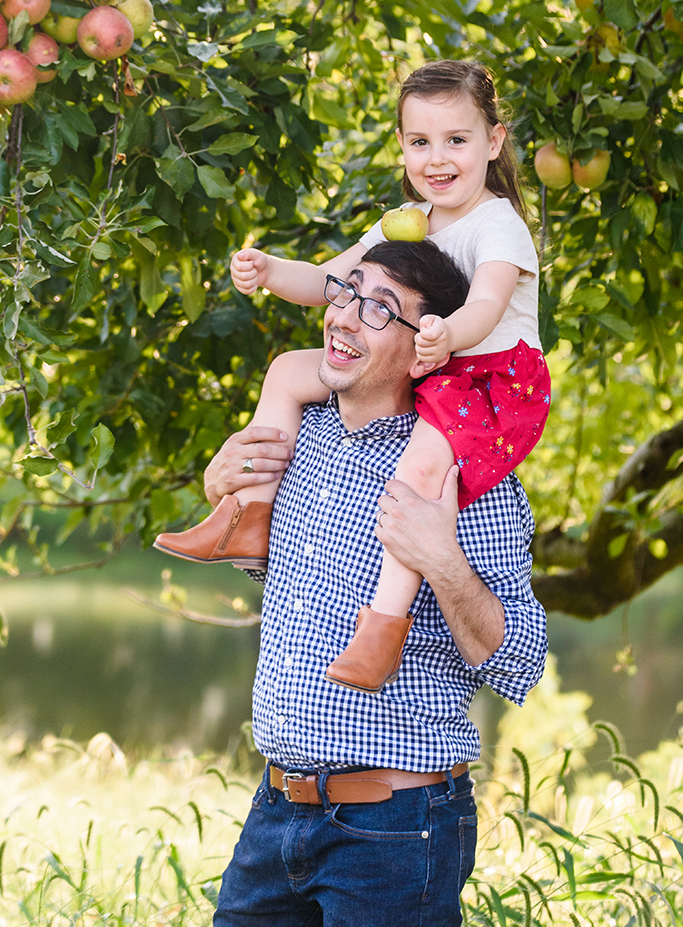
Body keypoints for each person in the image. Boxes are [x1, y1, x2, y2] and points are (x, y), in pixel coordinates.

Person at [155, 59, 550, 694]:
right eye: (420, 141)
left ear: (494, 141)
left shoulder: (497, 224)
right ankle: (248, 514)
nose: (437, 158)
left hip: (483, 379)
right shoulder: (409, 219)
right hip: (433, 362)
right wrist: (272, 270)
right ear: (402, 144)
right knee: (286, 370)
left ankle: (383, 627)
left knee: (416, 477)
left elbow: (485, 305)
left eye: (457, 139)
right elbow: (329, 279)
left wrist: (447, 335)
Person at [203, 239, 548, 926]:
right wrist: (225, 495)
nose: (343, 317)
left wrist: (441, 559)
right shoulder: (301, 437)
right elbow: (291, 583)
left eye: (379, 310)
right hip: (276, 813)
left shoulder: (460, 480)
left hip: (396, 828)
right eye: (347, 293)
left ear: (426, 349)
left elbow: (520, 664)